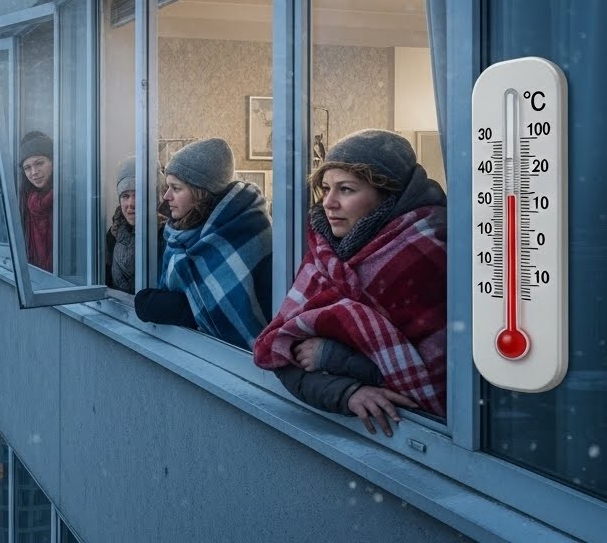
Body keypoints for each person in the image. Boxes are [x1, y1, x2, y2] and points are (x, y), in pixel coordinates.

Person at [253, 129, 447, 437]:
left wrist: (336, 359)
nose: (328, 203)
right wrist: (347, 393)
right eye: (326, 188)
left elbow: (443, 382)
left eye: (346, 190)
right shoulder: (323, 256)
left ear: (388, 195)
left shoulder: (431, 252)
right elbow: (280, 354)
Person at [134, 138, 272, 350]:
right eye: (167, 187)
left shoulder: (247, 233)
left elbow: (240, 316)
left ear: (201, 193)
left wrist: (182, 310)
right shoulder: (179, 234)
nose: (166, 196)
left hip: (241, 369)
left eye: (176, 188)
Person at [17, 131, 54, 271]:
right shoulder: (25, 200)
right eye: (27, 168)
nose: (33, 172)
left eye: (39, 163)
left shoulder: (67, 198)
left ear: (52, 161)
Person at [104, 156, 136, 294]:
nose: (131, 203)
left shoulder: (164, 234)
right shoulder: (114, 234)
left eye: (138, 194)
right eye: (125, 196)